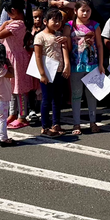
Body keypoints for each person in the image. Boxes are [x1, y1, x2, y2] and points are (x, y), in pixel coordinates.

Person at [0, 0, 35, 129]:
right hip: (11, 57)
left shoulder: (18, 24)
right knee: (12, 88)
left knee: (20, 89)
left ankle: (22, 116)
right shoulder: (16, 23)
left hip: (17, 58)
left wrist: (5, 24)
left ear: (12, 10)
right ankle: (13, 113)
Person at [69, 0, 105, 134]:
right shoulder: (70, 25)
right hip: (75, 65)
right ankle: (76, 124)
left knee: (91, 94)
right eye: (82, 10)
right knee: (76, 94)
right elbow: (66, 45)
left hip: (92, 64)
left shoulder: (95, 25)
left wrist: (101, 64)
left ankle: (92, 122)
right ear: (75, 10)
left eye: (88, 11)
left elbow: (100, 45)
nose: (85, 13)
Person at [33, 7, 70, 137]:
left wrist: (67, 65)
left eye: (59, 21)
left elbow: (65, 50)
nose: (57, 23)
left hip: (59, 71)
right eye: (54, 20)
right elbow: (37, 56)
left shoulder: (60, 36)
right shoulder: (40, 36)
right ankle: (45, 126)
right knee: (46, 99)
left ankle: (56, 123)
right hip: (47, 73)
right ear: (45, 21)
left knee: (57, 99)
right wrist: (42, 74)